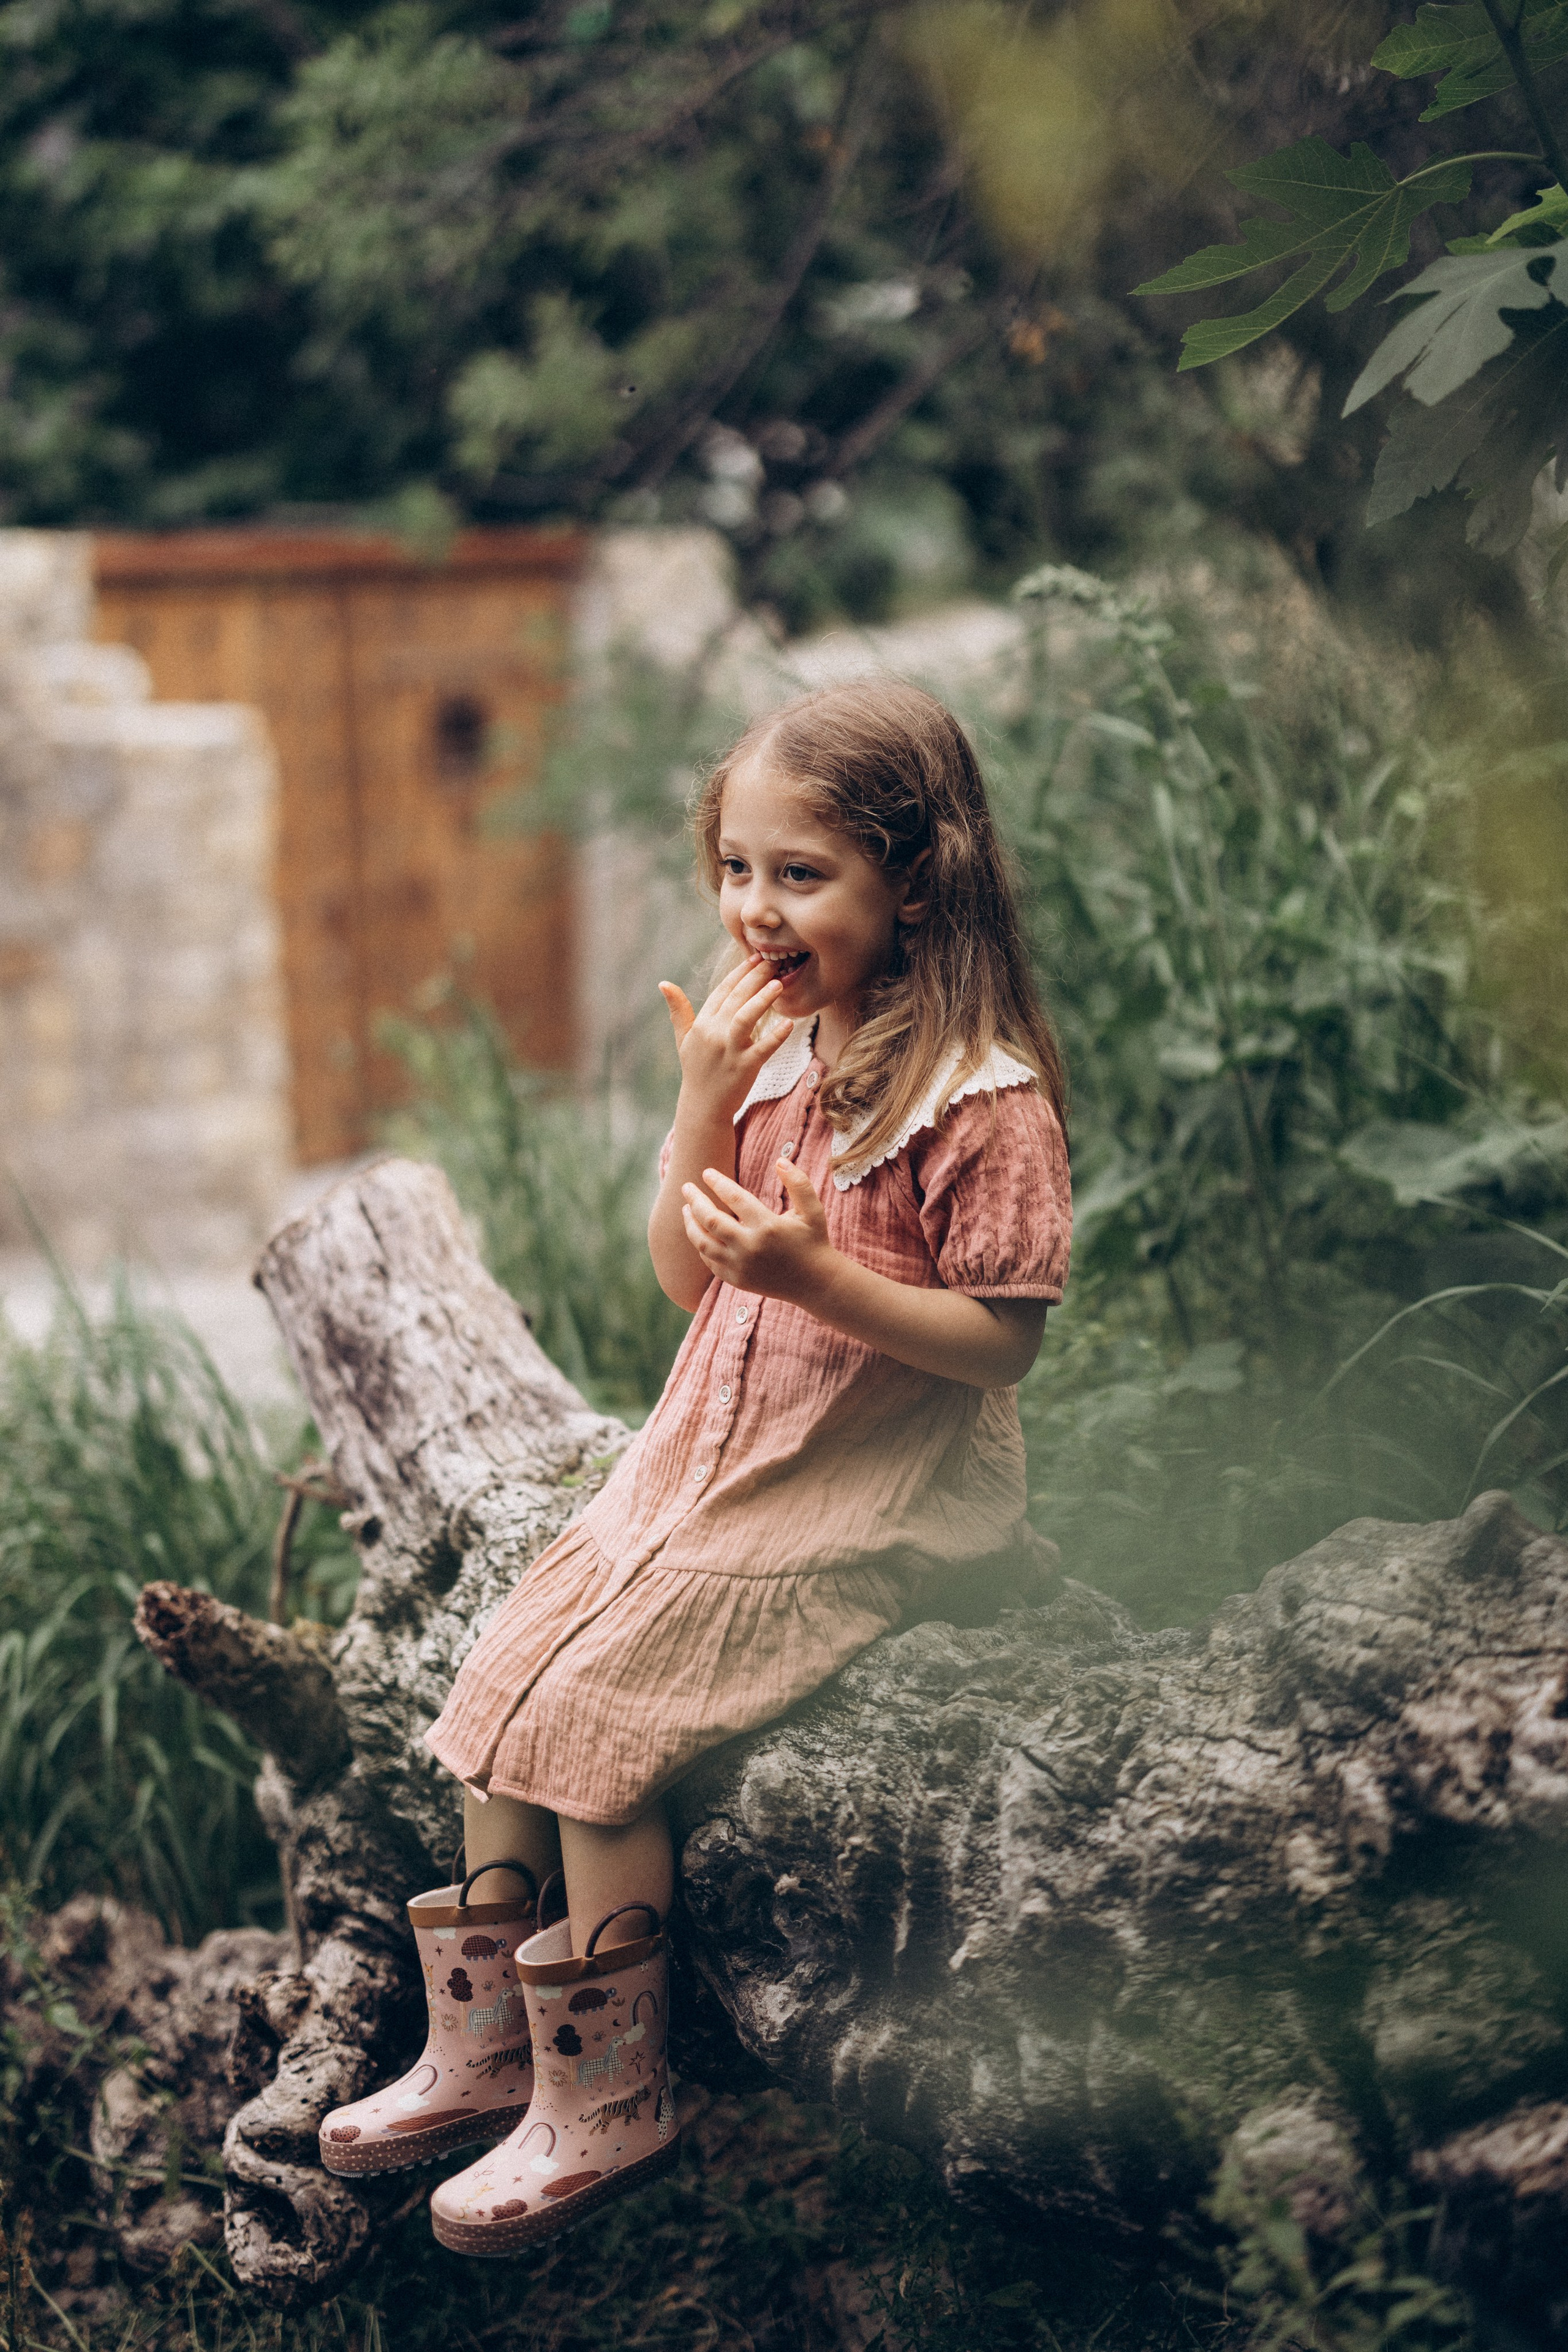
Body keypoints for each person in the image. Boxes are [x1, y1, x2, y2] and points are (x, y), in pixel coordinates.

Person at [318, 675, 1071, 2254]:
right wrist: (705, 1099)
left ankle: (613, 2096)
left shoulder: (978, 1096)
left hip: (865, 1486)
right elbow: (683, 1277)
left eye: (801, 874)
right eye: (736, 867)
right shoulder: (779, 1054)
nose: (755, 908)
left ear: (916, 878)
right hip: (707, 1464)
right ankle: (485, 2050)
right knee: (508, 1671)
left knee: (602, 1721)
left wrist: (818, 1280)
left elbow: (1002, 1343)